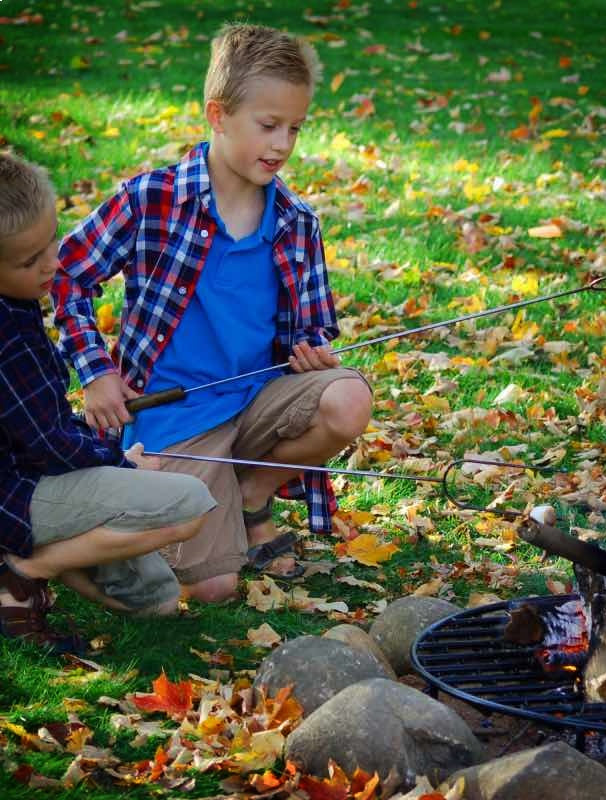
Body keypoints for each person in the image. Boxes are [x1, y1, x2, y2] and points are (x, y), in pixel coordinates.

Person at [54, 24, 373, 604]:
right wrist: (96, 372)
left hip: (258, 402)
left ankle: (251, 493)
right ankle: (199, 497)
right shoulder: (153, 199)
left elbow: (315, 323)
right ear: (219, 115)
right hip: (179, 419)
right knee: (216, 589)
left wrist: (313, 352)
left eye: (295, 129)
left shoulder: (297, 222)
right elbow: (66, 274)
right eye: (268, 125)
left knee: (348, 398)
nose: (282, 145)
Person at [0, 152, 217, 651]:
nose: (52, 263)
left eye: (53, 240)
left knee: (156, 599)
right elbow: (49, 447)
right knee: (190, 506)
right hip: (19, 494)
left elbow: (39, 426)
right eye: (30, 260)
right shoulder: (8, 334)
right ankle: (24, 570)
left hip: (34, 478)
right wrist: (125, 465)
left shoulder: (18, 304)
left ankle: (32, 569)